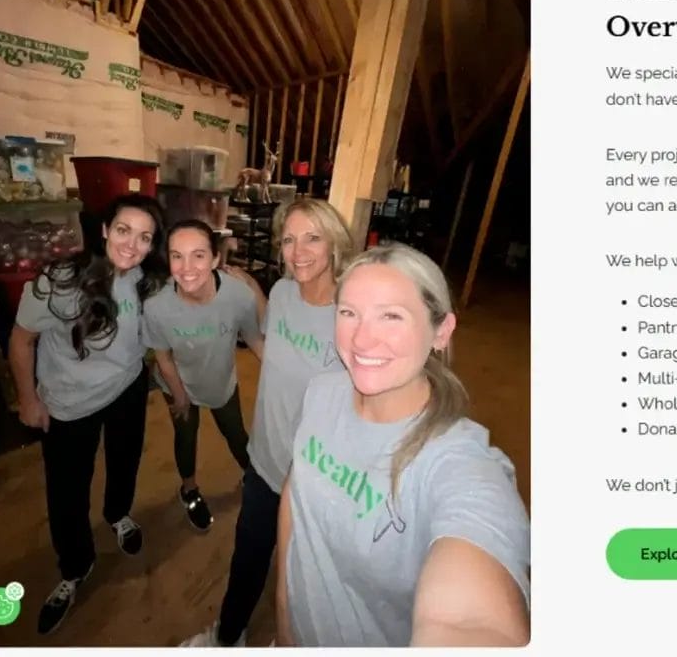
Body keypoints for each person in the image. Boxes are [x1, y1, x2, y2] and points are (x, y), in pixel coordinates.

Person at [275, 242, 531, 647]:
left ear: (441, 332)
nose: (362, 338)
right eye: (349, 313)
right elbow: (295, 494)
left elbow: (470, 621)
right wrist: (284, 611)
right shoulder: (322, 392)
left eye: (391, 316)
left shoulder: (457, 464)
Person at [181, 198, 355, 647]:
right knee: (248, 558)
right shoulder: (280, 292)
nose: (298, 251)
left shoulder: (351, 316)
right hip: (264, 462)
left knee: (304, 578)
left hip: (316, 480)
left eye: (312, 237)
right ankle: (228, 636)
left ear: (334, 242)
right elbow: (274, 351)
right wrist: (256, 296)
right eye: (290, 239)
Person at [8, 193, 169, 636]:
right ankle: (75, 568)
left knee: (125, 460)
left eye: (144, 237)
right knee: (66, 492)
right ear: (103, 230)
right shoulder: (60, 280)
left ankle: (118, 513)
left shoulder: (147, 279)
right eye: (123, 231)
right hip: (68, 405)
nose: (132, 245)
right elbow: (21, 341)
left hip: (127, 390)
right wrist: (28, 400)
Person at [143, 220, 266, 532]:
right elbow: (163, 356)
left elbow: (254, 339)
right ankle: (189, 490)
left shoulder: (237, 295)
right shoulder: (157, 307)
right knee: (185, 436)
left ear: (214, 259)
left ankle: (254, 479)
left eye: (198, 255)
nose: (186, 268)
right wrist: (180, 395)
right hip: (177, 381)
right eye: (177, 256)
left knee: (236, 434)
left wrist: (283, 376)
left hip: (220, 380)